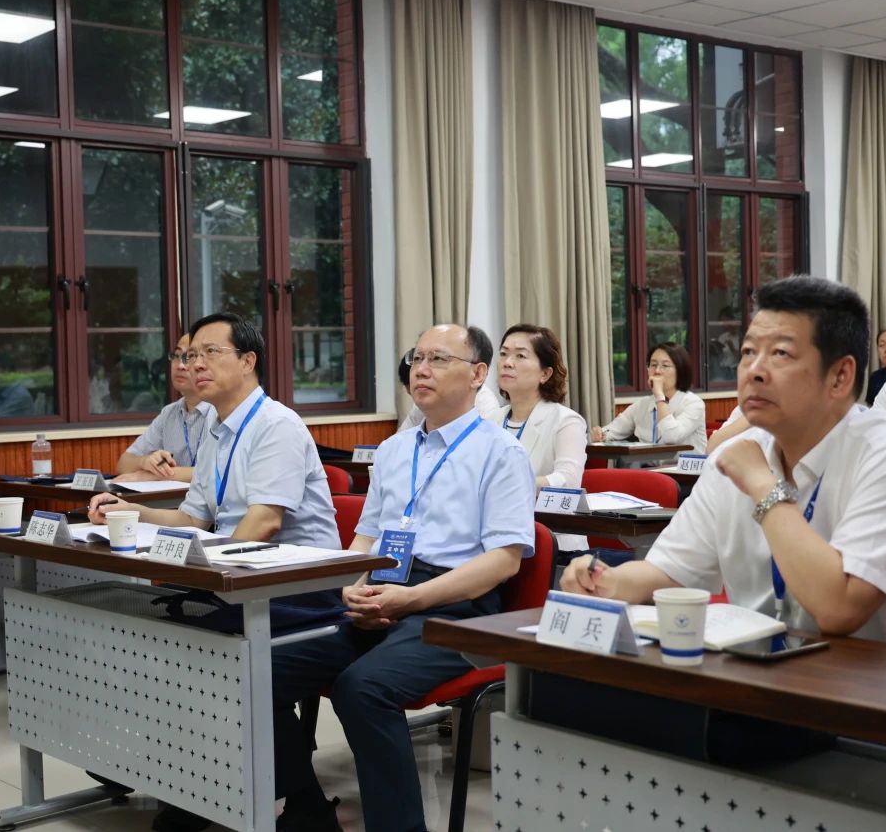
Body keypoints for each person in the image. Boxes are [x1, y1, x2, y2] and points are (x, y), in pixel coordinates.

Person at [562, 276, 886, 654]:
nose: (754, 370)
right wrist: (607, 581)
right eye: (748, 352)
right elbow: (669, 572)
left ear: (839, 376)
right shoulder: (737, 456)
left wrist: (762, 484)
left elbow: (840, 609)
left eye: (780, 354)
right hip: (783, 680)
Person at [267, 324, 536, 832]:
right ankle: (306, 809)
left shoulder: (501, 452)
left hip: (458, 609)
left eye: (439, 359)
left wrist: (408, 600)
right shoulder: (394, 449)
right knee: (261, 670)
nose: (421, 369)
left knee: (362, 688)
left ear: (477, 375)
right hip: (384, 591)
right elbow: (366, 539)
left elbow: (502, 562)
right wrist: (351, 586)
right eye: (417, 358)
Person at [89, 313, 339, 553]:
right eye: (192, 355)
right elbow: (191, 519)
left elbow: (265, 522)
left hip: (301, 570)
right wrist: (130, 510)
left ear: (247, 362)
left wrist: (213, 566)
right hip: (239, 563)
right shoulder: (216, 432)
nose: (196, 365)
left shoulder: (277, 424)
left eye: (211, 352)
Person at [492, 323, 588, 553]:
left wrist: (511, 483)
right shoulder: (490, 420)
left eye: (520, 356)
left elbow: (567, 480)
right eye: (503, 354)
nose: (507, 362)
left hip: (552, 542)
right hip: (495, 536)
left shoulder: (566, 421)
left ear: (545, 374)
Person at [114, 332, 215, 484]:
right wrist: (145, 462)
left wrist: (158, 475)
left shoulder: (222, 410)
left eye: (189, 357)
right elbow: (123, 464)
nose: (180, 365)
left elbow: (219, 471)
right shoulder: (169, 413)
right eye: (176, 356)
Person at [590, 342, 706, 454]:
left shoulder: (693, 403)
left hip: (682, 467)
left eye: (665, 366)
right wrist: (600, 434)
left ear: (680, 370)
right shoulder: (642, 405)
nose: (657, 371)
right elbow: (613, 430)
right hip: (647, 465)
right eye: (653, 365)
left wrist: (660, 396)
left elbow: (671, 437)